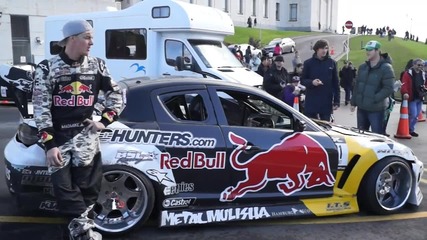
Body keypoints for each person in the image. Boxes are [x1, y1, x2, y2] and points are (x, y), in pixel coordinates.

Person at [32, 19, 124, 240]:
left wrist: (104, 120)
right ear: (71, 39)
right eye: (87, 37)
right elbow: (40, 108)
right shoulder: (47, 68)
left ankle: (80, 234)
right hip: (59, 139)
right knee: (64, 189)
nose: (92, 42)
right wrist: (50, 145)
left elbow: (117, 95)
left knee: (89, 190)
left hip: (86, 139)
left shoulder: (97, 65)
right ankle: (85, 231)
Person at [350, 40, 394, 134]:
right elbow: (357, 86)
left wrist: (373, 98)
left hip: (376, 110)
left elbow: (388, 88)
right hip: (361, 109)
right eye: (366, 49)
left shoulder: (386, 68)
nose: (367, 52)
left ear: (377, 51)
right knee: (361, 136)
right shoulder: (363, 67)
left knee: (377, 137)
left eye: (370, 50)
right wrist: (353, 102)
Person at [301, 39, 340, 121]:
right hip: (312, 100)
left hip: (326, 101)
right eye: (322, 48)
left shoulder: (332, 63)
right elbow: (303, 80)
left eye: (326, 48)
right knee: (311, 126)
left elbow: (336, 83)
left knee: (325, 127)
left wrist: (337, 101)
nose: (324, 50)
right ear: (317, 49)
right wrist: (312, 82)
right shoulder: (308, 63)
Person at [400, 58, 427, 137]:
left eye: (422, 65)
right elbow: (404, 84)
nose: (420, 67)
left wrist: (425, 88)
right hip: (412, 97)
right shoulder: (408, 73)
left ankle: (411, 129)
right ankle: (407, 129)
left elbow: (425, 84)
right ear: (414, 65)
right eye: (419, 65)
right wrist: (405, 92)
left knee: (417, 115)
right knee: (413, 114)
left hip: (420, 97)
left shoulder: (423, 74)